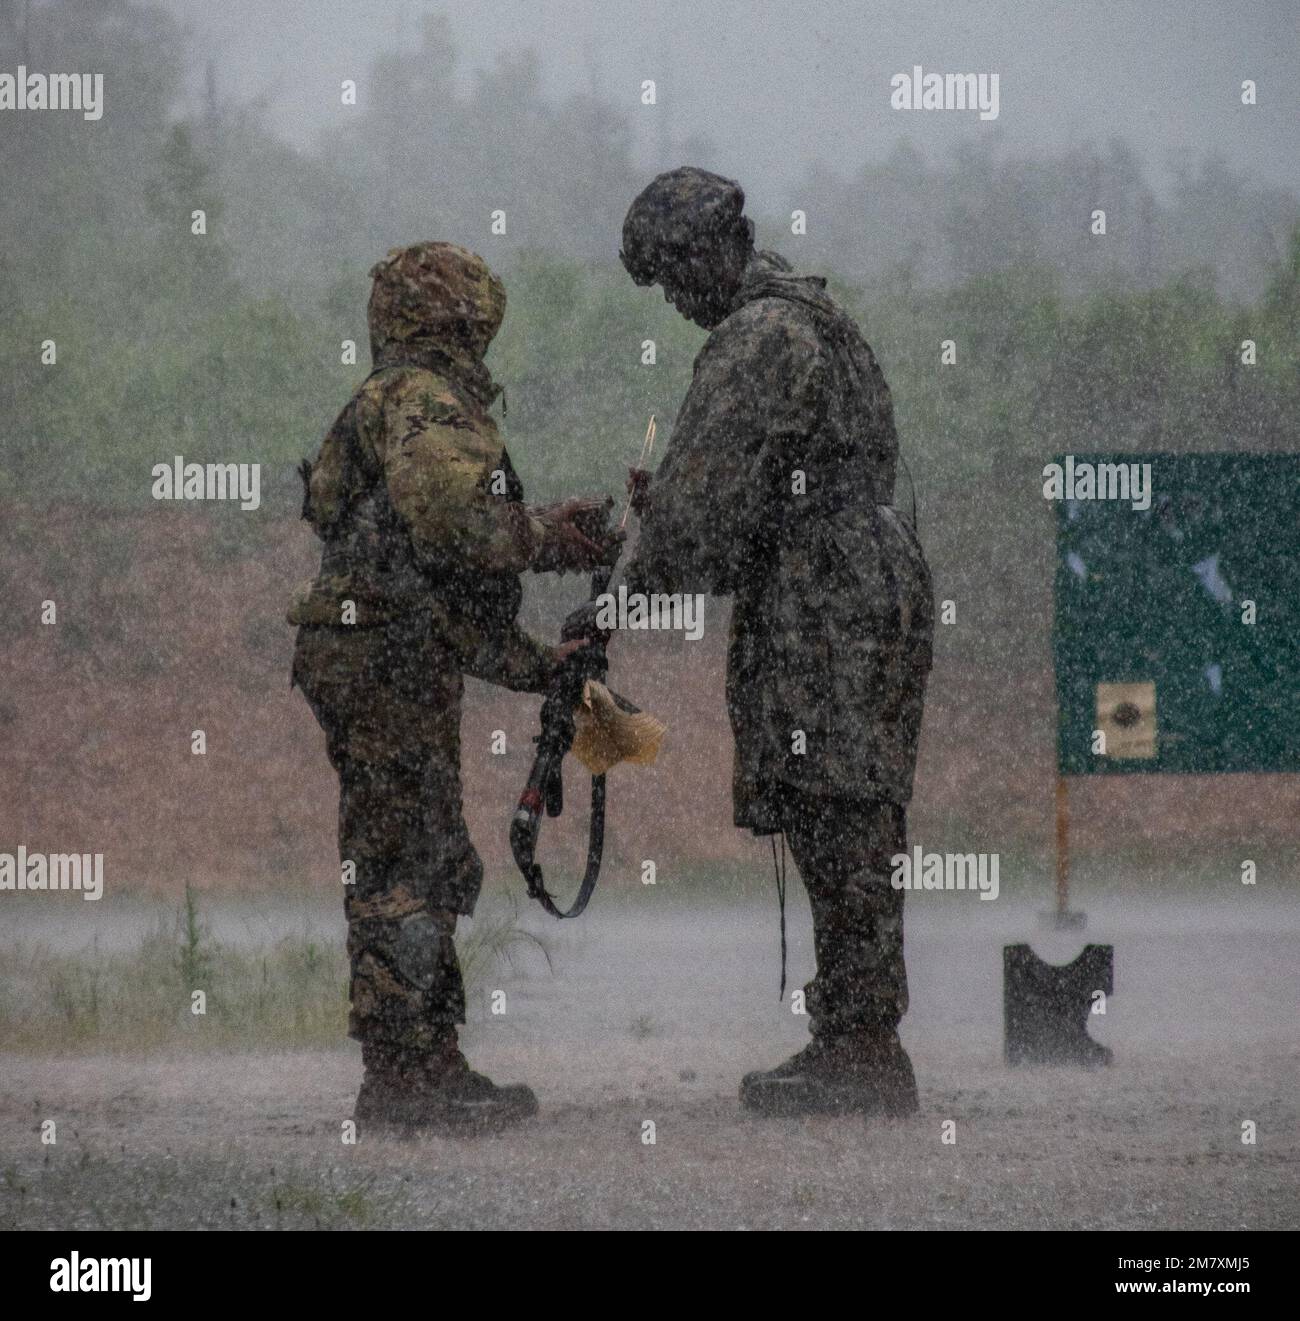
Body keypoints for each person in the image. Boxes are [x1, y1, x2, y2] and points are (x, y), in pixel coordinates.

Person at [620, 169, 933, 1117]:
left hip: (828, 597)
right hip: (859, 580)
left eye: (677, 275)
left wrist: (624, 587)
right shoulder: (808, 316)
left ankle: (861, 1049)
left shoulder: (759, 338)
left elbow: (697, 513)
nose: (676, 299)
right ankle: (857, 1036)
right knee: (849, 806)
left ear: (718, 249)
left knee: (838, 807)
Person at [289, 241, 615, 1130]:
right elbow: (457, 524)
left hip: (390, 653)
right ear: (460, 320)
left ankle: (428, 1061)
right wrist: (547, 538)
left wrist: (536, 662)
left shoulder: (405, 399)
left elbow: (438, 585)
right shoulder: (420, 399)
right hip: (381, 660)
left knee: (422, 852)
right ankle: (402, 1078)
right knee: (402, 862)